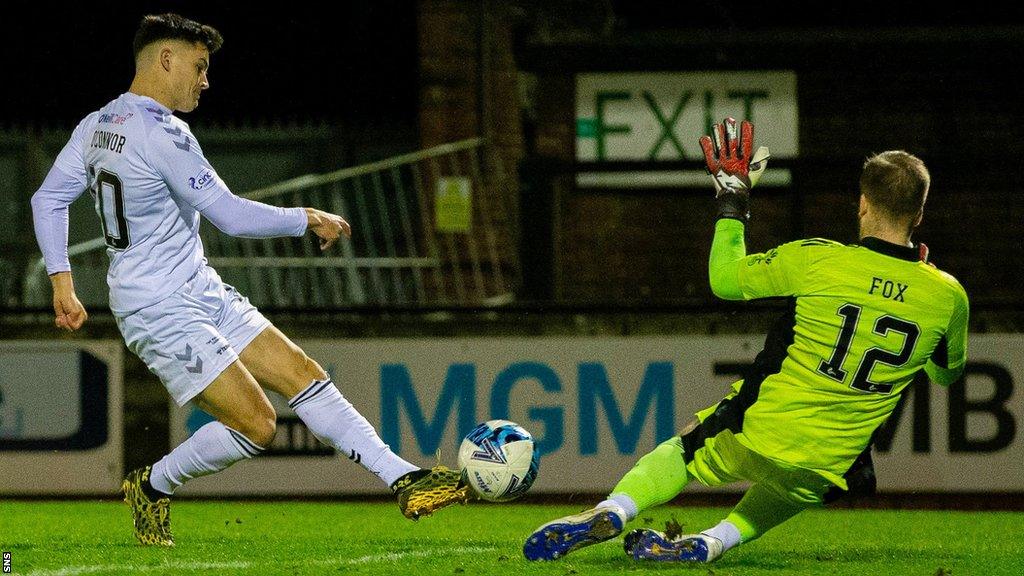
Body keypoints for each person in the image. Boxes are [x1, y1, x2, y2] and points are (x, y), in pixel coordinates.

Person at [30, 13, 468, 547]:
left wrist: (62, 280)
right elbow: (230, 217)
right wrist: (306, 217)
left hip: (197, 285)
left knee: (301, 373)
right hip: (156, 308)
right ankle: (153, 485)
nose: (205, 81)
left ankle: (404, 479)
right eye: (199, 66)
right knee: (258, 426)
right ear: (165, 59)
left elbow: (47, 198)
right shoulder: (162, 132)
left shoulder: (96, 125)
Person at [523, 118, 969, 563]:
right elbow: (945, 373)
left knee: (686, 448)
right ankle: (714, 540)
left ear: (863, 204)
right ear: (920, 214)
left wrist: (733, 200)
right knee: (801, 483)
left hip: (761, 427)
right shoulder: (947, 295)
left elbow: (725, 280)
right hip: (835, 459)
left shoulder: (818, 259)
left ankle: (614, 510)